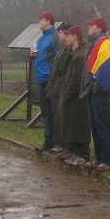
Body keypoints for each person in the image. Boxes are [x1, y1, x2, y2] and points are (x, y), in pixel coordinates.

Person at [81, 17, 110, 172]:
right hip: (92, 88)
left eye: (91, 26)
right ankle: (99, 158)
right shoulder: (96, 43)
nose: (88, 28)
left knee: (103, 125)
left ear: (98, 28)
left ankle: (107, 159)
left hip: (100, 90)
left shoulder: (105, 44)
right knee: (95, 125)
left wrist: (100, 85)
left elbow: (107, 69)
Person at [57, 25, 92, 166]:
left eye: (69, 35)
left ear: (75, 36)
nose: (66, 38)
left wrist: (67, 95)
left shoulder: (80, 56)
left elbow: (76, 80)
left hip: (77, 98)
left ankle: (81, 154)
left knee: (78, 125)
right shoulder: (74, 54)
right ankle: (71, 151)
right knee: (71, 125)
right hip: (71, 96)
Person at [47, 23, 73, 157]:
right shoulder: (62, 50)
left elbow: (61, 69)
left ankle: (63, 144)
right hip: (56, 87)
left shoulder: (69, 52)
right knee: (56, 116)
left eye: (61, 33)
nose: (59, 36)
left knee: (62, 117)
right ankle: (58, 143)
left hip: (62, 87)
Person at [34, 12, 58, 151]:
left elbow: (57, 58)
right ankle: (48, 141)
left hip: (50, 79)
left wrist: (54, 76)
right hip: (41, 78)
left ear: (48, 21)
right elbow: (42, 56)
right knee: (45, 112)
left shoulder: (54, 37)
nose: (39, 23)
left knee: (52, 112)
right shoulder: (41, 39)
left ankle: (53, 141)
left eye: (41, 20)